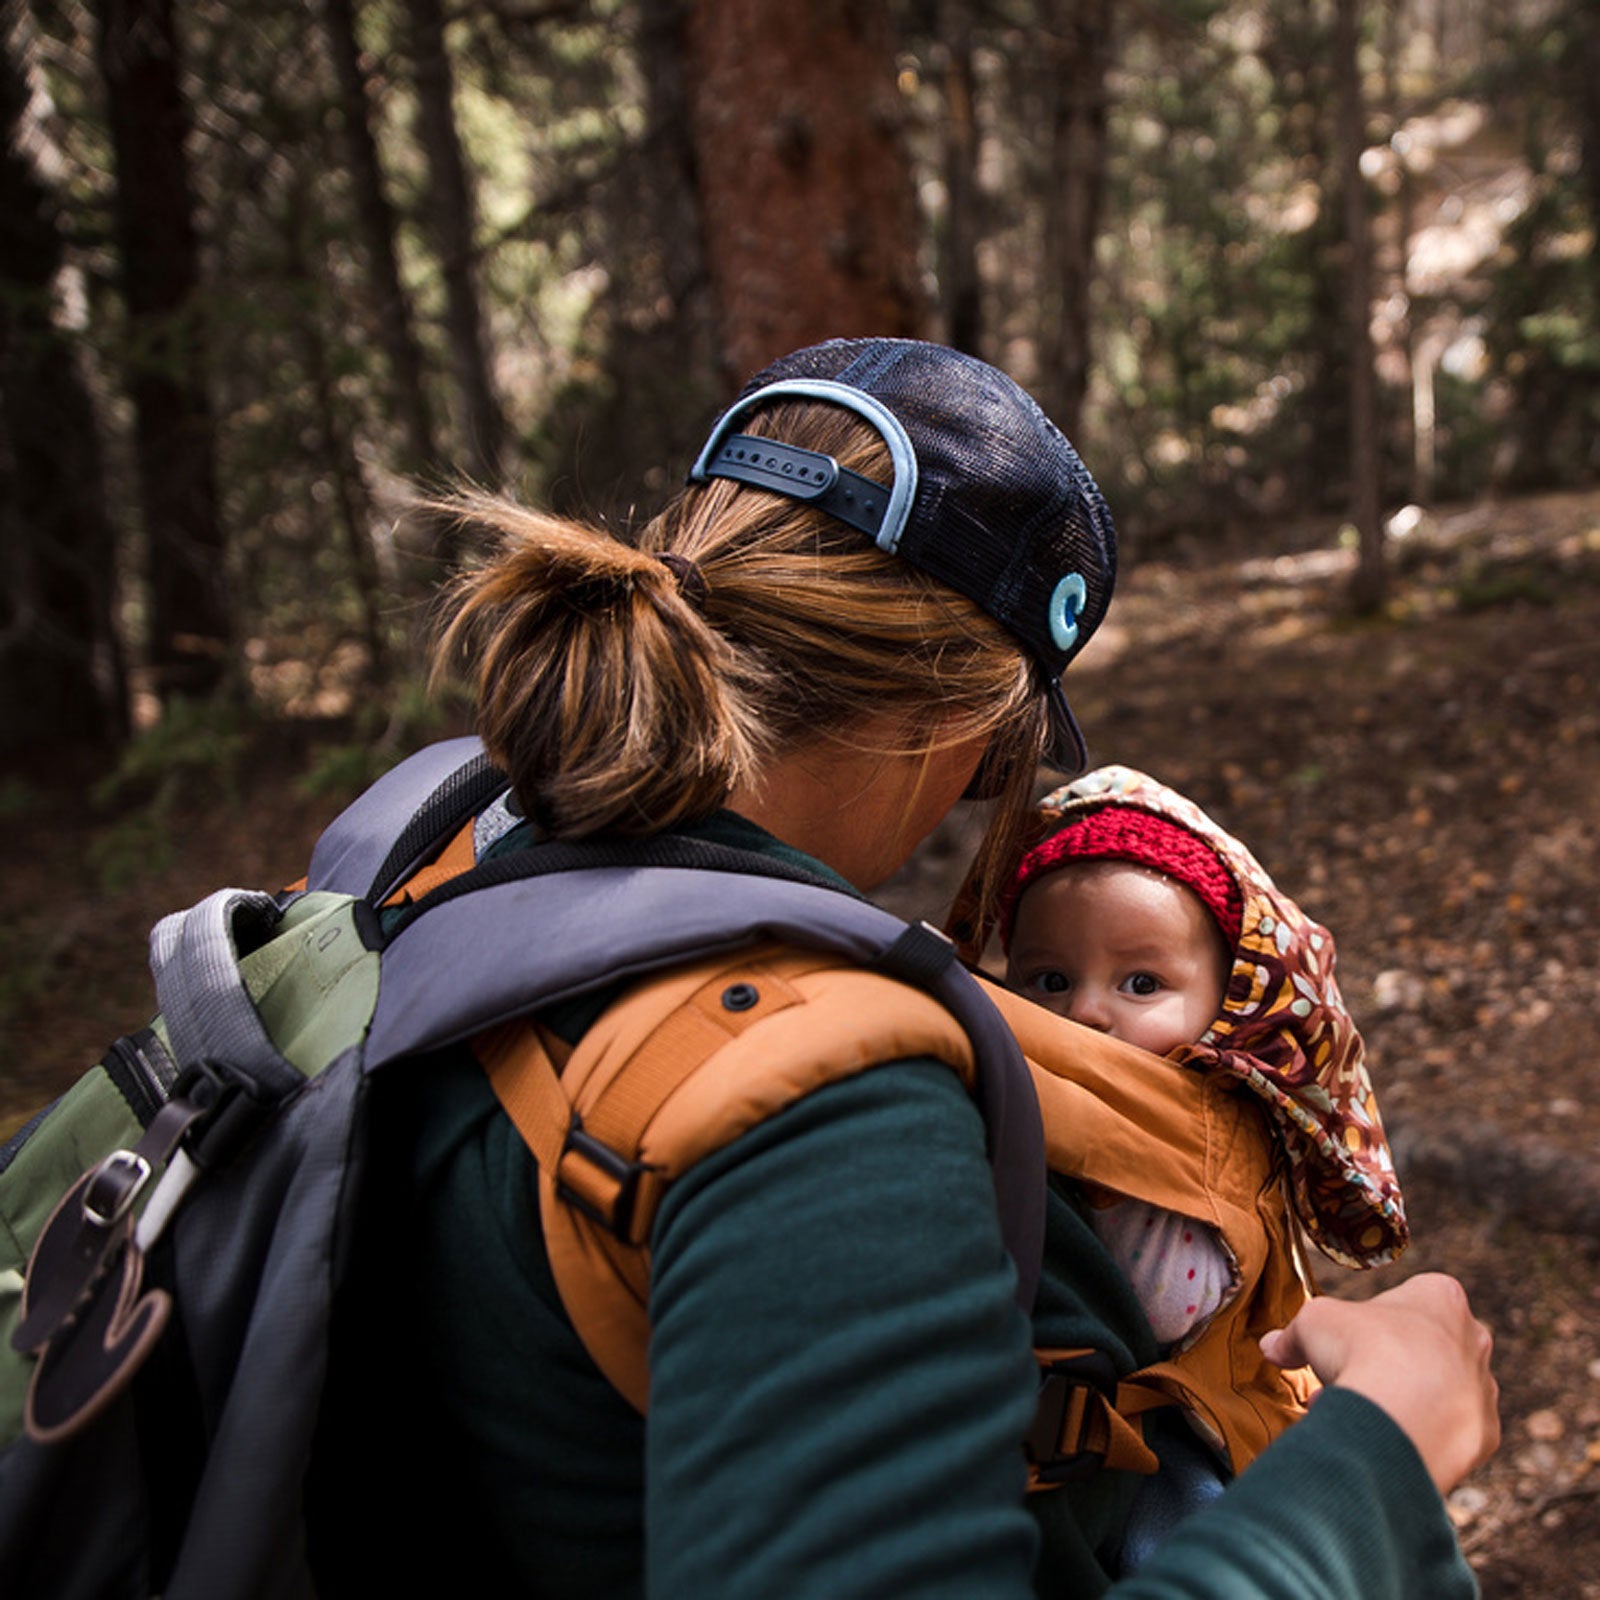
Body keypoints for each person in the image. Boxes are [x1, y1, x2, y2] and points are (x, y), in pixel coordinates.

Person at [309, 337, 1497, 1598]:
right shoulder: (813, 1098)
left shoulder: (429, 854)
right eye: (998, 766)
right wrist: (1384, 1453)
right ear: (959, 719)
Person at [997, 763, 1406, 1351]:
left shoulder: (1205, 1123)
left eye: (1141, 984)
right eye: (1050, 978)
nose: (1084, 1011)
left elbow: (1164, 1308)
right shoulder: (1002, 1078)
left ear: (1227, 1005)